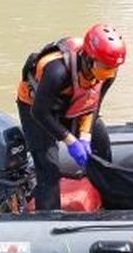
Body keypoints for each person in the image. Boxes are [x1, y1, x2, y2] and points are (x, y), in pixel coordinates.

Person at [15, 24, 126, 211]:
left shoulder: (107, 73)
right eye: (106, 67)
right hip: (37, 107)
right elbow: (40, 112)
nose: (110, 73)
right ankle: (48, 221)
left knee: (101, 140)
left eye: (113, 68)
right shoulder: (57, 72)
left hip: (73, 101)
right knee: (48, 167)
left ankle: (108, 204)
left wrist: (85, 136)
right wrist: (71, 141)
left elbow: (94, 104)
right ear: (90, 58)